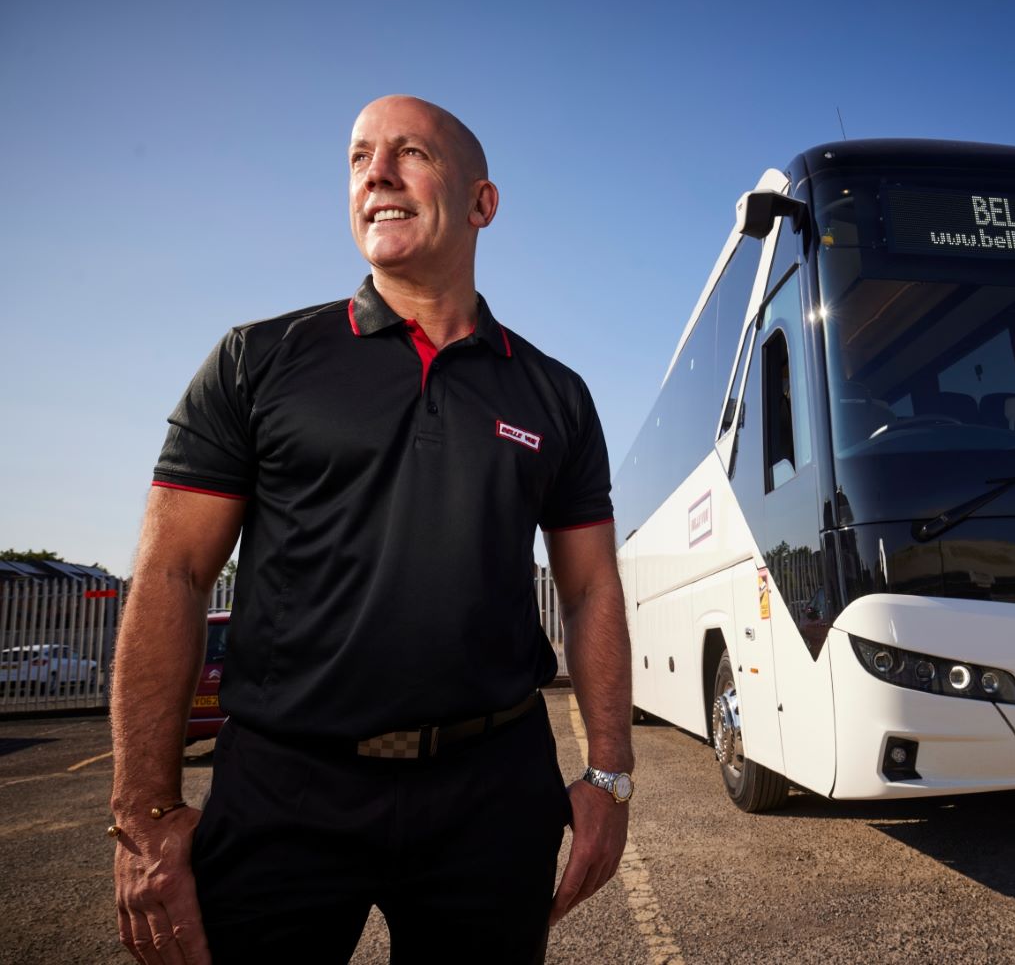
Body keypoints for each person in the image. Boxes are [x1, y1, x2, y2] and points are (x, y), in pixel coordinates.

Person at [109, 95, 633, 964]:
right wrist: (144, 812)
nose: (376, 175)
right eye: (358, 159)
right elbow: (171, 572)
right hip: (283, 787)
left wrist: (610, 775)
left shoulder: (554, 394)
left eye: (410, 153)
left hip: (490, 788)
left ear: (481, 203)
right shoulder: (256, 360)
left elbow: (589, 587)